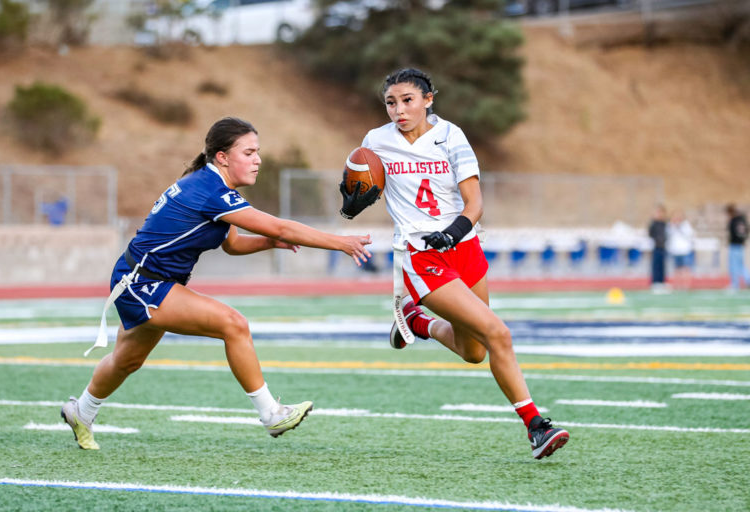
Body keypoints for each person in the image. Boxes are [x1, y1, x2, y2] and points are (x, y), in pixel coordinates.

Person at [61, 117, 372, 450]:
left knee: (127, 361)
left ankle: (81, 411)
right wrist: (339, 241)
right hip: (143, 282)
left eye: (258, 152)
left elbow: (233, 244)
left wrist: (267, 243)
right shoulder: (210, 191)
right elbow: (279, 226)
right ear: (222, 157)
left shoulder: (215, 188)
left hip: (142, 279)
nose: (258, 160)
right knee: (233, 323)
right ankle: (271, 414)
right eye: (249, 152)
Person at [339, 68, 569, 459]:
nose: (399, 109)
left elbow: (475, 203)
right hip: (419, 254)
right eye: (391, 102)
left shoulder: (451, 136)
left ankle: (416, 322)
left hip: (464, 246)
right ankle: (536, 426)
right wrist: (352, 199)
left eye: (408, 100)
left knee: (475, 350)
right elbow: (362, 187)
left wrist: (453, 231)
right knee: (498, 333)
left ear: (429, 99)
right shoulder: (375, 142)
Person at [667, 209, 695, 289]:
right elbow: (668, 235)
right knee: (677, 269)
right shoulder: (670, 225)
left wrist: (679, 227)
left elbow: (689, 235)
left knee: (685, 268)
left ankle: (686, 285)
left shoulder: (685, 225)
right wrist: (673, 225)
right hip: (676, 251)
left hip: (684, 250)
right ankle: (677, 285)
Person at [726, 203, 750, 291]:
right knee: (741, 265)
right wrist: (743, 240)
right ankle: (748, 280)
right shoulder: (742, 219)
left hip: (734, 245)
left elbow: (732, 232)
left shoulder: (733, 220)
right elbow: (747, 230)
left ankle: (735, 284)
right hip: (741, 245)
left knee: (733, 266)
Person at [648, 204, 669, 293]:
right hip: (656, 246)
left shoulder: (665, 223)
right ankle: (655, 282)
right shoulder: (654, 223)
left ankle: (662, 281)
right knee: (655, 265)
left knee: (663, 265)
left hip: (663, 246)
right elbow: (650, 233)